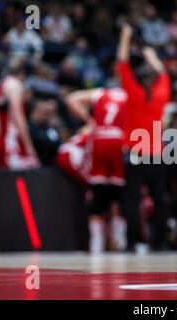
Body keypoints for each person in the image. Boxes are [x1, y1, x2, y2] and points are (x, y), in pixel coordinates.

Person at [116, 24, 171, 251]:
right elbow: (164, 73)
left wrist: (126, 36)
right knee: (159, 198)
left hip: (136, 154)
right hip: (157, 154)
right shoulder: (161, 93)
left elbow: (122, 62)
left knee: (132, 200)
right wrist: (151, 56)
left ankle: (131, 242)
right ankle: (162, 242)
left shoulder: (133, 92)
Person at [66, 86, 127, 253]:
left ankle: (96, 242)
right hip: (120, 139)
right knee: (116, 191)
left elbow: (72, 98)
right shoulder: (129, 94)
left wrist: (90, 120)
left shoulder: (101, 93)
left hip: (99, 138)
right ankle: (118, 239)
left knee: (97, 190)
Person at [0, 59, 40, 170]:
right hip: (10, 140)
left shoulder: (1, 85)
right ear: (22, 74)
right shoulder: (15, 85)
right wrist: (29, 146)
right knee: (28, 170)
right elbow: (18, 116)